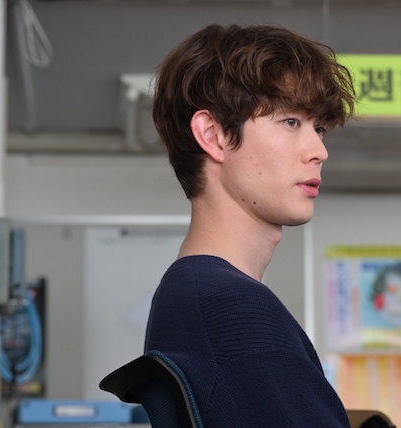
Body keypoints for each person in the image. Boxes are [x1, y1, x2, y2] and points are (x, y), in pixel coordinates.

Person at [143, 23, 356, 427]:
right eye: (290, 122)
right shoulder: (234, 309)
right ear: (213, 135)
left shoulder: (191, 294)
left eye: (319, 129)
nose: (319, 151)